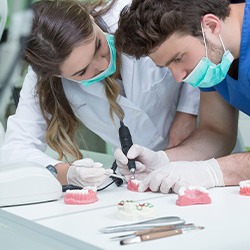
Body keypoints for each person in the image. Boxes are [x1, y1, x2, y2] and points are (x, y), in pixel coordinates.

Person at [0, 0, 200, 189]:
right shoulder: (43, 78)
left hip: (204, 146)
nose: (102, 64)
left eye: (98, 45)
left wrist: (187, 110)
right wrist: (66, 173)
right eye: (81, 72)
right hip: (145, 177)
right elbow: (16, 149)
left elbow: (199, 35)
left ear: (90, 18)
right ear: (55, 75)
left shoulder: (134, 13)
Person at [114, 0, 250, 193]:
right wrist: (163, 161)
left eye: (178, 58)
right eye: (168, 67)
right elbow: (217, 132)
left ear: (210, 25)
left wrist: (212, 171)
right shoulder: (216, 56)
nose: (179, 77)